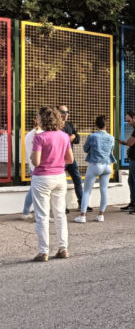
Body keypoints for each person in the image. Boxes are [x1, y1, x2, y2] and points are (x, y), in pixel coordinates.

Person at [30, 107, 74, 261]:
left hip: (42, 178)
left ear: (43, 119)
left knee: (42, 216)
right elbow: (70, 160)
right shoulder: (64, 136)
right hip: (59, 177)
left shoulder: (39, 137)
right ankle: (63, 249)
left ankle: (43, 252)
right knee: (60, 214)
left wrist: (32, 155)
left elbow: (36, 161)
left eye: (39, 117)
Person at [74, 115, 116, 223]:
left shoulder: (92, 136)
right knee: (104, 190)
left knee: (87, 191)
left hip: (95, 165)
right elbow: (111, 150)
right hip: (107, 165)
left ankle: (83, 216)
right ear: (106, 125)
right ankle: (101, 215)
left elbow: (85, 149)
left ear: (96, 124)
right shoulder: (111, 137)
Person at [58, 105, 87, 213]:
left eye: (67, 112)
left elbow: (78, 138)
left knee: (78, 180)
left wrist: (73, 136)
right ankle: (62, 207)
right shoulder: (56, 126)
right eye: (63, 112)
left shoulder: (69, 124)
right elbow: (60, 141)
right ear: (57, 113)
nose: (66, 114)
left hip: (70, 158)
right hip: (60, 158)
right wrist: (71, 137)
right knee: (61, 183)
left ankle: (82, 203)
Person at [22, 114, 43, 221]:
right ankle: (28, 212)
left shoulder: (29, 134)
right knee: (36, 192)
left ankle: (26, 212)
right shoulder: (38, 134)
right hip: (37, 167)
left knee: (34, 190)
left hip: (33, 166)